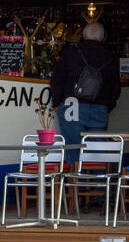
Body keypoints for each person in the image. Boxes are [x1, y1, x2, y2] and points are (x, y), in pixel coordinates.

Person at [50, 21, 121, 149]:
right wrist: (106, 106)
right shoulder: (111, 56)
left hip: (72, 106)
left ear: (83, 34)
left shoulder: (70, 52)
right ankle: (99, 169)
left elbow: (58, 79)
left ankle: (75, 169)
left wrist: (56, 103)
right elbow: (115, 88)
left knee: (74, 148)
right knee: (98, 152)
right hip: (99, 107)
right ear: (103, 37)